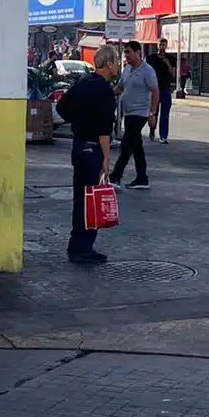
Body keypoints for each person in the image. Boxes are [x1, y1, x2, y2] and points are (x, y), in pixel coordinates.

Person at [57, 45, 119, 263]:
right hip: (92, 147)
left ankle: (76, 245)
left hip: (78, 144)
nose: (118, 65)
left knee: (79, 198)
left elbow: (62, 108)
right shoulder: (104, 90)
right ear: (109, 64)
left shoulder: (83, 82)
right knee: (91, 199)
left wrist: (79, 120)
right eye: (117, 61)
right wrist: (106, 160)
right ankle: (83, 247)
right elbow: (104, 130)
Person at [110, 41, 158, 190]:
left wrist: (152, 113)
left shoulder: (147, 71)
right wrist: (107, 92)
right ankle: (142, 179)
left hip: (140, 113)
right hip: (129, 113)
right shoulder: (127, 69)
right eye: (125, 53)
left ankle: (115, 177)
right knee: (137, 147)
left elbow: (155, 91)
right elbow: (121, 86)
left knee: (126, 144)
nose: (127, 55)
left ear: (138, 53)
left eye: (129, 52)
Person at [146, 38, 176, 144]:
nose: (161, 47)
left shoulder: (171, 58)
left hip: (165, 88)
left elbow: (173, 73)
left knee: (165, 113)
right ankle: (152, 130)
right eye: (160, 45)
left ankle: (163, 136)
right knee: (154, 112)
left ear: (166, 46)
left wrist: (167, 63)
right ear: (157, 46)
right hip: (154, 88)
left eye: (163, 45)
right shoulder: (151, 58)